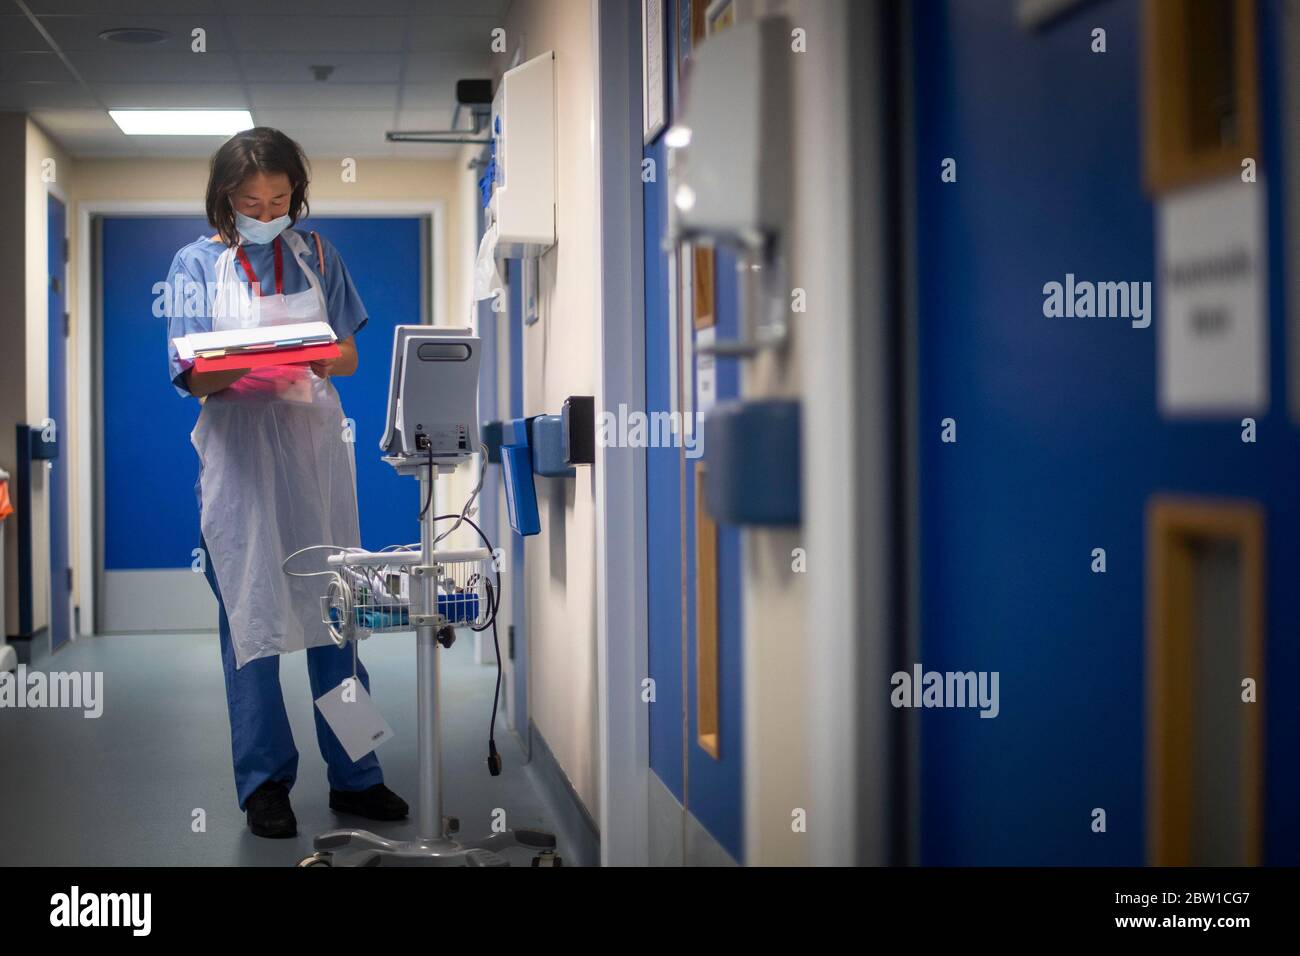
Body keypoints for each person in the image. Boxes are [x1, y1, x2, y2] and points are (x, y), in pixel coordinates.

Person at [164, 127, 408, 838]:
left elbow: (353, 353)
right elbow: (186, 374)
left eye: (278, 198)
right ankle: (265, 785)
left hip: (314, 459)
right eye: (249, 199)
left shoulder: (319, 254)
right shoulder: (193, 265)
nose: (266, 211)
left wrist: (316, 353)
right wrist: (240, 361)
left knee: (341, 619)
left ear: (295, 196)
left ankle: (358, 774)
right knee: (253, 627)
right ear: (223, 199)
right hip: (239, 466)